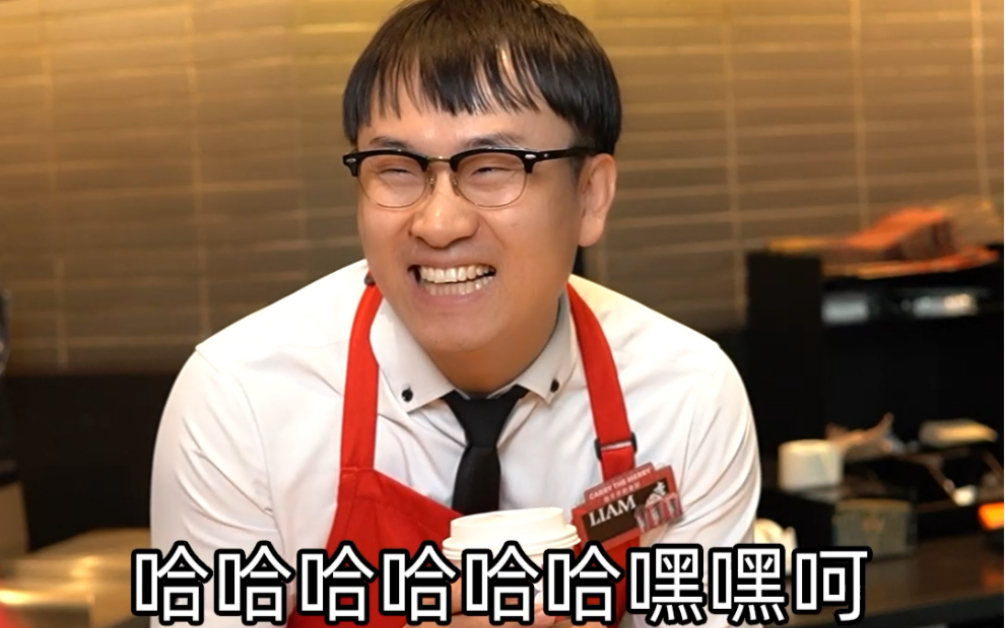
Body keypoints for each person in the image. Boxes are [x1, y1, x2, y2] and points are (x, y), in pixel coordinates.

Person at [150, 1, 761, 627]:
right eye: (396, 169)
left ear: (590, 196)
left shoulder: (684, 398)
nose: (438, 224)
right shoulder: (242, 403)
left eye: (492, 168)